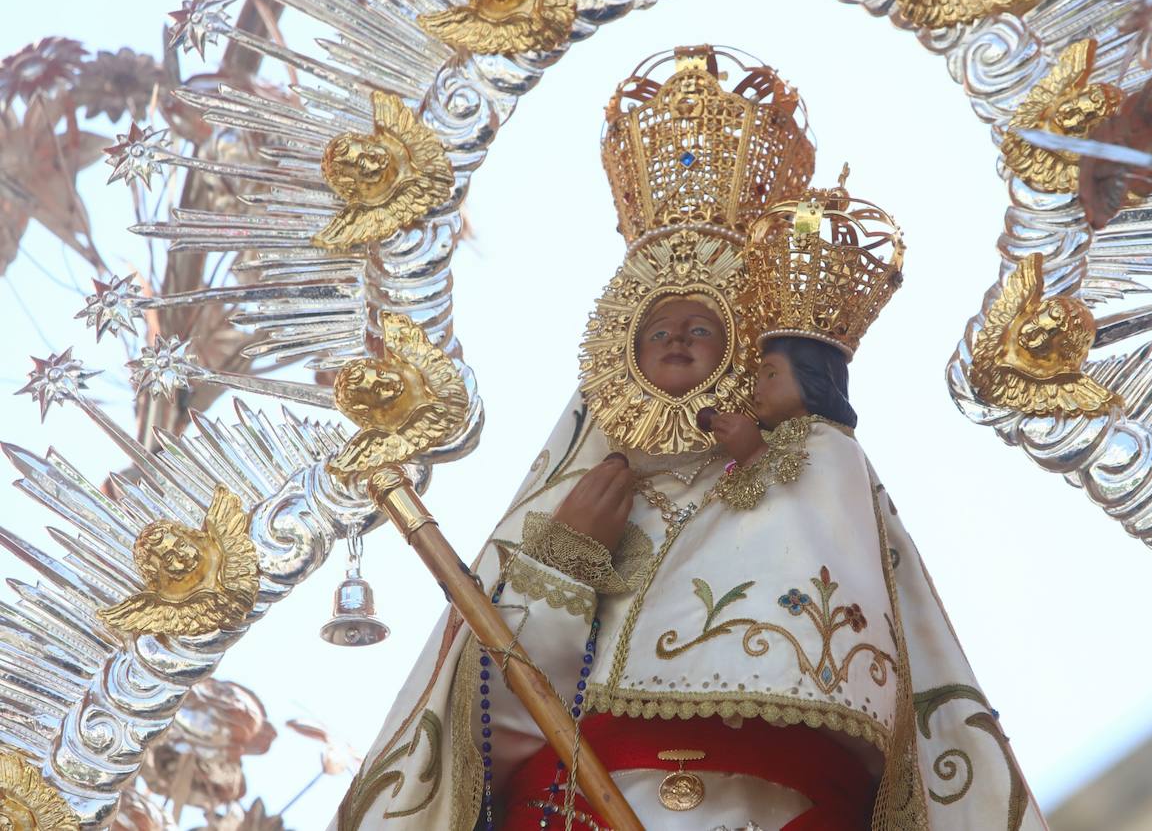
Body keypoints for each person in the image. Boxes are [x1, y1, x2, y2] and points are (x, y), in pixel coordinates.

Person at [334, 47, 1045, 831]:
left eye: (702, 327)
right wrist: (562, 568)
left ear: (746, 347)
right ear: (618, 352)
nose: (676, 341)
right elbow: (484, 731)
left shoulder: (814, 468)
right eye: (657, 329)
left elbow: (892, 711)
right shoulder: (573, 490)